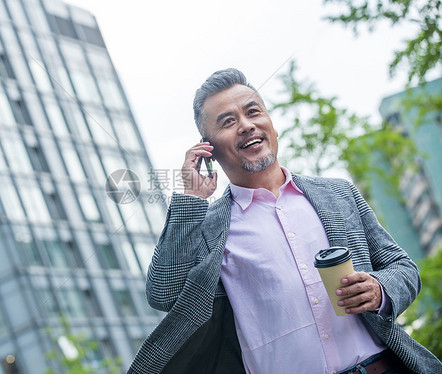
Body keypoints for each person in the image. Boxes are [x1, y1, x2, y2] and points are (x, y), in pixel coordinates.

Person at [127, 68, 442, 374]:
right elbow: (163, 293)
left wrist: (380, 289)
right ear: (208, 149)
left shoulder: (338, 193)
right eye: (228, 122)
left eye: (253, 112)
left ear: (271, 125)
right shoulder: (209, 229)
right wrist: (191, 199)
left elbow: (403, 267)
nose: (247, 125)